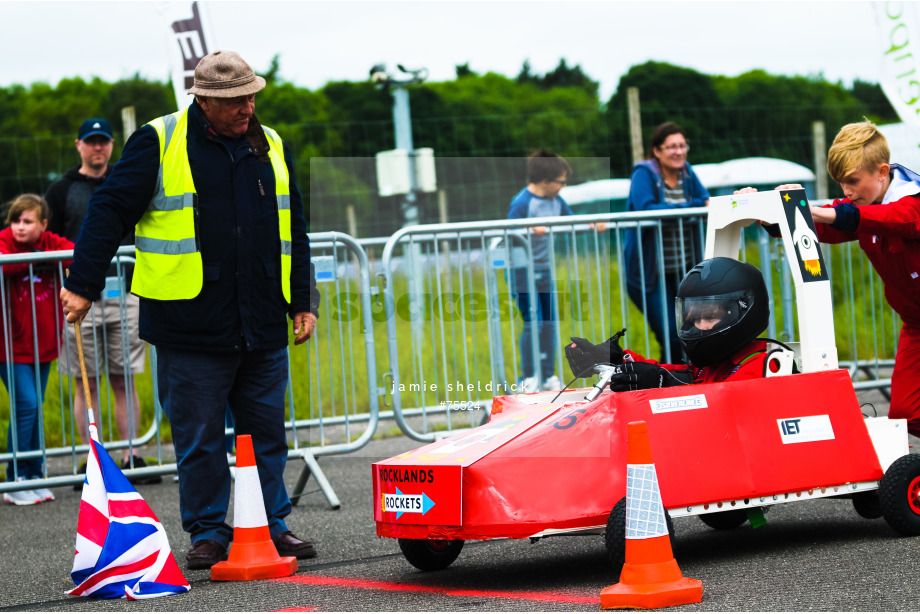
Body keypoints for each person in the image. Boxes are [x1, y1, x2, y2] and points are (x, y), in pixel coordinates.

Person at [59, 50, 321, 569]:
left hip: (263, 317)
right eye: (234, 100)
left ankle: (273, 522)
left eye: (251, 95)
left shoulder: (270, 143)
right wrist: (84, 282)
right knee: (199, 435)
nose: (247, 106)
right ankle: (208, 530)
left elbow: (294, 227)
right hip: (190, 323)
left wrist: (302, 300)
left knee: (266, 431)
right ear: (203, 99)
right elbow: (110, 209)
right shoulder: (159, 140)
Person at [741, 120, 920, 438]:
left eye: (852, 181)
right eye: (840, 183)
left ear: (881, 172)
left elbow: (890, 219)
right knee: (907, 412)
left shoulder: (911, 202)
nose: (846, 192)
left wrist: (823, 211)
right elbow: (824, 225)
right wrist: (770, 216)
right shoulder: (859, 205)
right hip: (916, 323)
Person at [44, 118, 156, 484]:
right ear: (79, 145)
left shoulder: (125, 183)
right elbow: (49, 240)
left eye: (104, 141)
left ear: (111, 145)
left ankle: (132, 455)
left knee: (124, 378)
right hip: (78, 298)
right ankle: (92, 458)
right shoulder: (61, 190)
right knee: (84, 381)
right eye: (91, 142)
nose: (98, 148)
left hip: (124, 294)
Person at [566, 257, 772, 389]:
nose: (698, 326)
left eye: (708, 317)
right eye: (692, 318)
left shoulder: (763, 367)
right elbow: (673, 373)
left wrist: (666, 384)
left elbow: (723, 402)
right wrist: (618, 360)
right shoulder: (709, 366)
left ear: (742, 312)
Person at [0, 194, 74, 505]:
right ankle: (14, 477)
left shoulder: (49, 240)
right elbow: (5, 268)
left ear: (43, 224)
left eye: (27, 221)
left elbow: (75, 254)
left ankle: (32, 472)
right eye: (16, 220)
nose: (19, 227)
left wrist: (41, 253)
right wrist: (34, 257)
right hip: (9, 346)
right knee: (26, 405)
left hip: (43, 344)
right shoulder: (5, 242)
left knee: (34, 405)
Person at [623, 122, 710, 364]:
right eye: (671, 147)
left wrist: (691, 207)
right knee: (671, 336)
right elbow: (647, 208)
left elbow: (706, 199)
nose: (679, 151)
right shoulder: (644, 173)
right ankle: (670, 383)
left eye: (682, 146)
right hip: (650, 274)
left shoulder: (687, 173)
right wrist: (690, 208)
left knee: (689, 335)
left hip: (684, 271)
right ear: (657, 151)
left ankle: (675, 380)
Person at [506, 149, 572, 393]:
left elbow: (571, 220)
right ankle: (528, 376)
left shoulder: (557, 201)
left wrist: (591, 223)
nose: (564, 186)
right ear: (546, 181)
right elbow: (509, 231)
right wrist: (529, 228)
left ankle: (548, 374)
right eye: (561, 181)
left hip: (544, 270)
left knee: (550, 321)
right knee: (533, 323)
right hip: (521, 271)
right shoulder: (523, 202)